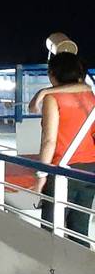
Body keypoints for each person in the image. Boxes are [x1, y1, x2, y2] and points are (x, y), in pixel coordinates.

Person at [35, 53, 95, 244]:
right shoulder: (89, 95)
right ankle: (80, 272)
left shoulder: (53, 98)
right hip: (89, 169)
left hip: (62, 169)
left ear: (52, 74)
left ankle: (54, 271)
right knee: (79, 229)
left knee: (52, 229)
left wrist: (41, 175)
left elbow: (49, 141)